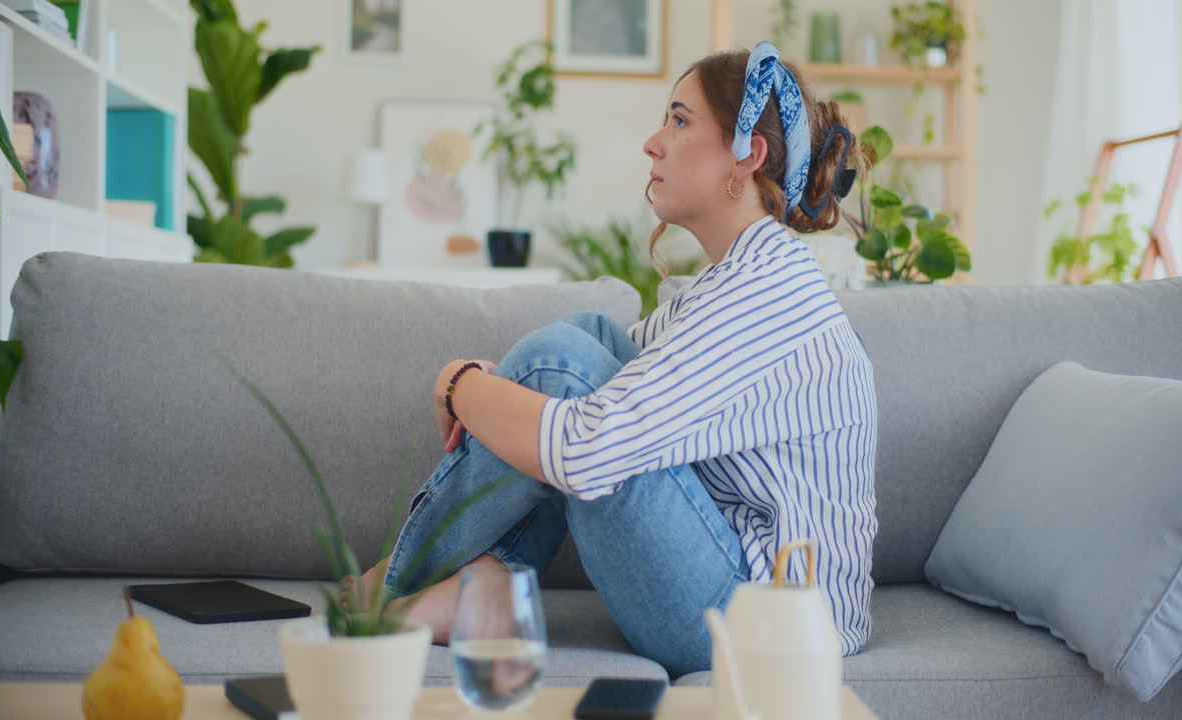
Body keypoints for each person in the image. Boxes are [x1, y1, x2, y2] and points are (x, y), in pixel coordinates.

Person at [349, 40, 877, 679]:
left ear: (748, 154)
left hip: (762, 626)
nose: (653, 143)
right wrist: (495, 388)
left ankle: (390, 586)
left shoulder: (765, 296)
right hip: (739, 593)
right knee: (591, 334)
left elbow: (586, 443)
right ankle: (484, 584)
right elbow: (612, 371)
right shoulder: (735, 279)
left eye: (679, 121)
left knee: (565, 365)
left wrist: (459, 384)